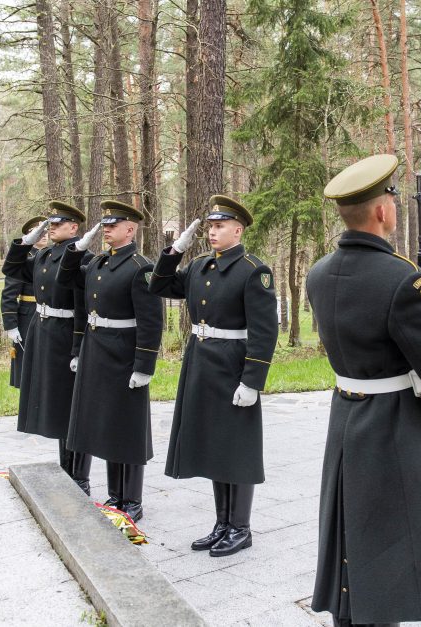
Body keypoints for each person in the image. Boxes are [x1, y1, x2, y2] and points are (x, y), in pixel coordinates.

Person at [308, 154, 421, 627]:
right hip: (393, 422)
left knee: (348, 539)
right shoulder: (404, 281)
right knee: (391, 545)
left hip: (345, 416)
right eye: (392, 197)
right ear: (382, 211)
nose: (395, 205)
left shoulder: (318, 273)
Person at [149, 195, 278, 557]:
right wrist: (174, 250)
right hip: (201, 363)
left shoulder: (254, 270)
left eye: (219, 226)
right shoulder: (200, 266)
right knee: (214, 445)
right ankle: (222, 523)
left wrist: (252, 382)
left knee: (236, 447)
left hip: (233, 364)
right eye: (210, 226)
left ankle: (241, 527)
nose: (212, 232)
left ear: (238, 230)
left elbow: (265, 331)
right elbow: (158, 286)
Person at [58, 200, 163, 522]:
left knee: (126, 428)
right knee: (102, 425)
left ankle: (131, 498)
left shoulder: (140, 267)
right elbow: (67, 282)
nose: (106, 229)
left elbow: (151, 321)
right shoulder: (100, 263)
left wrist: (144, 366)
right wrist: (76, 250)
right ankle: (114, 494)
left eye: (112, 225)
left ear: (130, 229)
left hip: (123, 354)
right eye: (104, 225)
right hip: (96, 350)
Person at [1, 201, 92, 492]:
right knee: (55, 407)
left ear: (74, 227)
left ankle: (79, 476)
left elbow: (81, 306)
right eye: (49, 223)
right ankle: (66, 469)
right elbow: (12, 267)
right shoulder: (44, 255)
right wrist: (25, 242)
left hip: (66, 335)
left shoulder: (82, 256)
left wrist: (78, 347)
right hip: (43, 333)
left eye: (57, 223)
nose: (50, 227)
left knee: (71, 409)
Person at [1, 216, 46, 388]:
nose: (44, 235)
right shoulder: (23, 258)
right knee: (27, 364)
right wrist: (11, 325)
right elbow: (9, 295)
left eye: (45, 231)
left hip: (47, 315)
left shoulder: (49, 256)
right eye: (39, 232)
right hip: (27, 317)